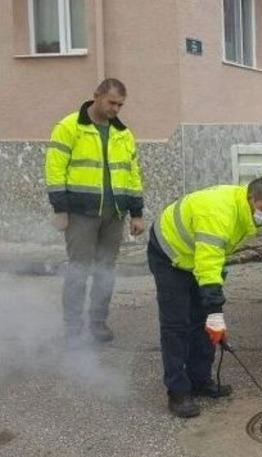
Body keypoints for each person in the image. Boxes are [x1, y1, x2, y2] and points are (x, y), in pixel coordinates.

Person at [147, 178, 262, 418]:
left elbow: (212, 258)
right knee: (176, 324)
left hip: (198, 256)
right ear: (250, 198)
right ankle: (177, 392)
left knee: (202, 321)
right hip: (170, 253)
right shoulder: (219, 214)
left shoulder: (249, 210)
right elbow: (208, 264)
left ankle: (200, 380)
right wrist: (216, 311)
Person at [44, 78, 146, 344]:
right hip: (80, 214)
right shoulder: (69, 127)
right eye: (112, 102)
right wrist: (60, 209)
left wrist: (136, 212)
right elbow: (55, 171)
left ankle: (98, 324)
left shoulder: (123, 134)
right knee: (79, 270)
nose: (116, 109)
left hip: (114, 215)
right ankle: (73, 329)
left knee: (105, 270)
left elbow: (133, 174)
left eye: (120, 105)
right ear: (97, 96)